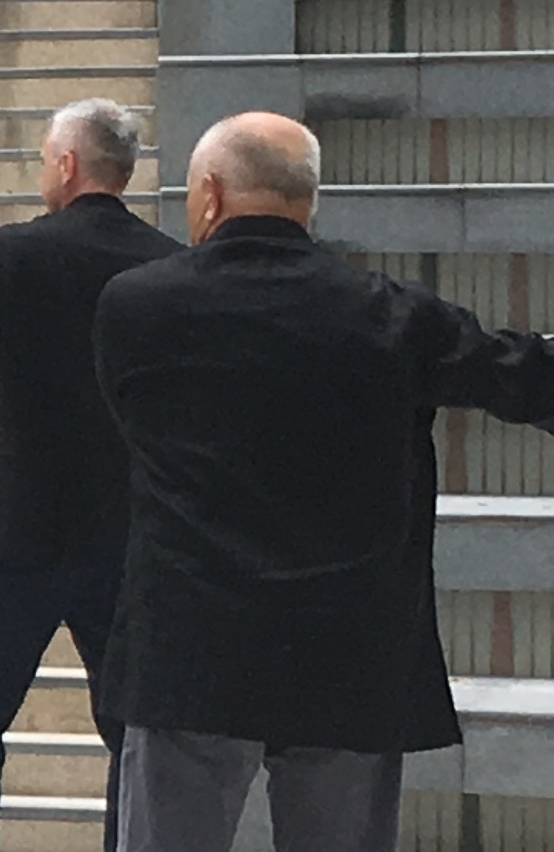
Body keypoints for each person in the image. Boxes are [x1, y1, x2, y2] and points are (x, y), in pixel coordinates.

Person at [94, 112, 554, 852]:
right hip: (349, 651)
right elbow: (523, 376)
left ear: (210, 193)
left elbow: (126, 419)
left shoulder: (136, 304)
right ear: (309, 203)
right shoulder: (391, 313)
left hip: (191, 644)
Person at [0, 99, 178, 852]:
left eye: (46, 158)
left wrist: (21, 418)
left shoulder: (12, 252)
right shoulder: (168, 264)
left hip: (19, 526)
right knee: (131, 735)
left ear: (67, 165)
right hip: (127, 534)